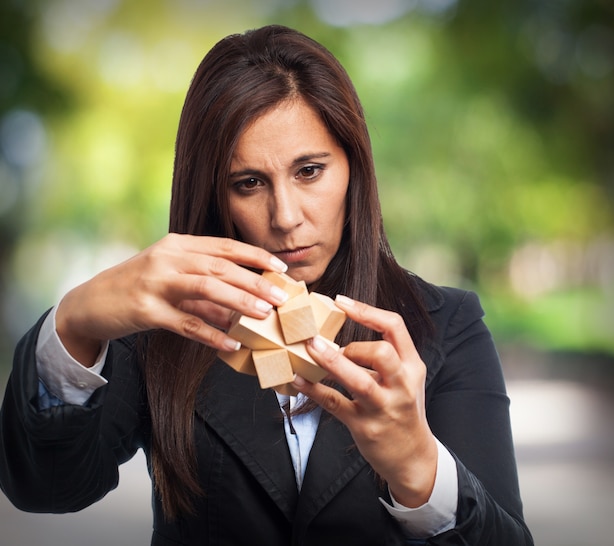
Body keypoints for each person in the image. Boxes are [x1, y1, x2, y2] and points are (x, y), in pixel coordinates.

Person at [0, 25, 533, 545]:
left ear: (354, 166)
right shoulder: (165, 328)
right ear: (213, 194)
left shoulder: (448, 325)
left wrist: (420, 469)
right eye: (248, 183)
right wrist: (73, 323)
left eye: (309, 171)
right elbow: (45, 488)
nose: (285, 217)